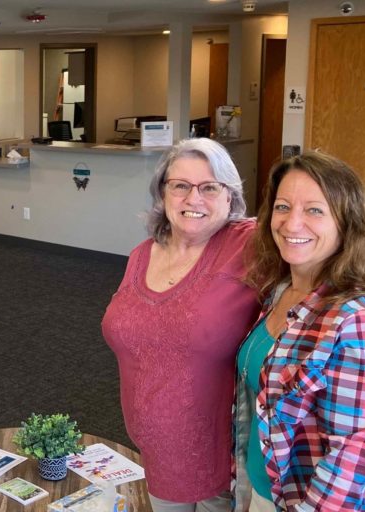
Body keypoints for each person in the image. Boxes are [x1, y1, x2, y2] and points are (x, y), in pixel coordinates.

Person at [236, 152, 365, 511]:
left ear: (347, 223)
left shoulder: (361, 321)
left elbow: (353, 452)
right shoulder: (281, 290)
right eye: (283, 207)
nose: (291, 223)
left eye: (314, 210)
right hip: (265, 486)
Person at [102, 137, 259, 511]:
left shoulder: (250, 246)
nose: (194, 199)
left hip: (221, 463)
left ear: (230, 196)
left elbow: (321, 261)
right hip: (156, 453)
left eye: (209, 187)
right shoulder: (143, 255)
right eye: (181, 186)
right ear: (163, 193)